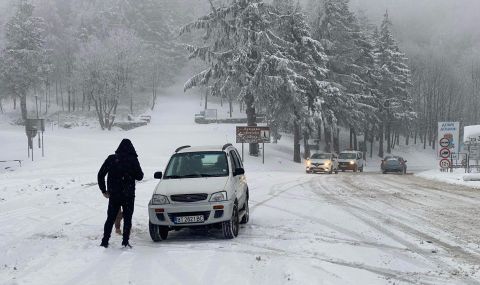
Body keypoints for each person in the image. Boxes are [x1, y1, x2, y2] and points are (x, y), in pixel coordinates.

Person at [98, 139, 144, 248]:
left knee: (110, 218)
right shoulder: (133, 160)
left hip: (114, 195)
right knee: (128, 218)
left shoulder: (111, 159)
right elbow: (140, 176)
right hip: (128, 195)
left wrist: (104, 190)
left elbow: (100, 174)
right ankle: (125, 242)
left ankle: (105, 241)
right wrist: (130, 172)